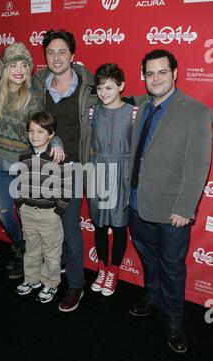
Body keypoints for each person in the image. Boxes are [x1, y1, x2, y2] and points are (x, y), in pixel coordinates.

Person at [127, 49, 212, 353]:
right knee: (148, 258)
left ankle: (174, 323)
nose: (156, 78)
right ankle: (151, 299)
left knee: (172, 268)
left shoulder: (196, 112)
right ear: (144, 77)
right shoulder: (141, 106)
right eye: (150, 73)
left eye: (163, 72)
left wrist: (184, 208)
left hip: (172, 212)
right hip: (136, 204)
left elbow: (199, 166)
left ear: (175, 73)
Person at [33, 29, 97, 312]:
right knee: (47, 225)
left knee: (70, 227)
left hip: (72, 168)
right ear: (45, 57)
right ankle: (52, 271)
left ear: (73, 55)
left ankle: (75, 285)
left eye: (62, 51)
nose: (56, 57)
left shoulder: (88, 86)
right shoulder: (38, 86)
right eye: (51, 52)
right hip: (44, 168)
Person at [0, 43, 64, 280]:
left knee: (27, 216)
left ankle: (29, 256)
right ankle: (21, 247)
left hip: (23, 167)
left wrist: (57, 142)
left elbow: (44, 126)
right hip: (1, 164)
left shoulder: (33, 98)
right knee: (4, 214)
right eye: (13, 65)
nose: (19, 70)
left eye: (24, 65)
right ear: (4, 69)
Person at [14, 111, 72, 303]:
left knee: (51, 253)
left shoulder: (59, 158)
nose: (34, 135)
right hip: (28, 212)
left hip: (49, 215)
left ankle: (50, 283)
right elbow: (20, 182)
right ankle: (31, 279)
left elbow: (68, 187)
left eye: (40, 131)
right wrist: (20, 203)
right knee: (31, 249)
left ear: (51, 134)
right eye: (31, 131)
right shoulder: (23, 155)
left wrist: (58, 212)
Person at [88, 63, 135, 296]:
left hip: (122, 172)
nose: (104, 93)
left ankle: (114, 271)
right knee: (99, 224)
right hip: (98, 170)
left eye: (109, 87)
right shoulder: (92, 111)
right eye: (100, 88)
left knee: (118, 226)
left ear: (121, 86)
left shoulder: (133, 112)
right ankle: (102, 269)